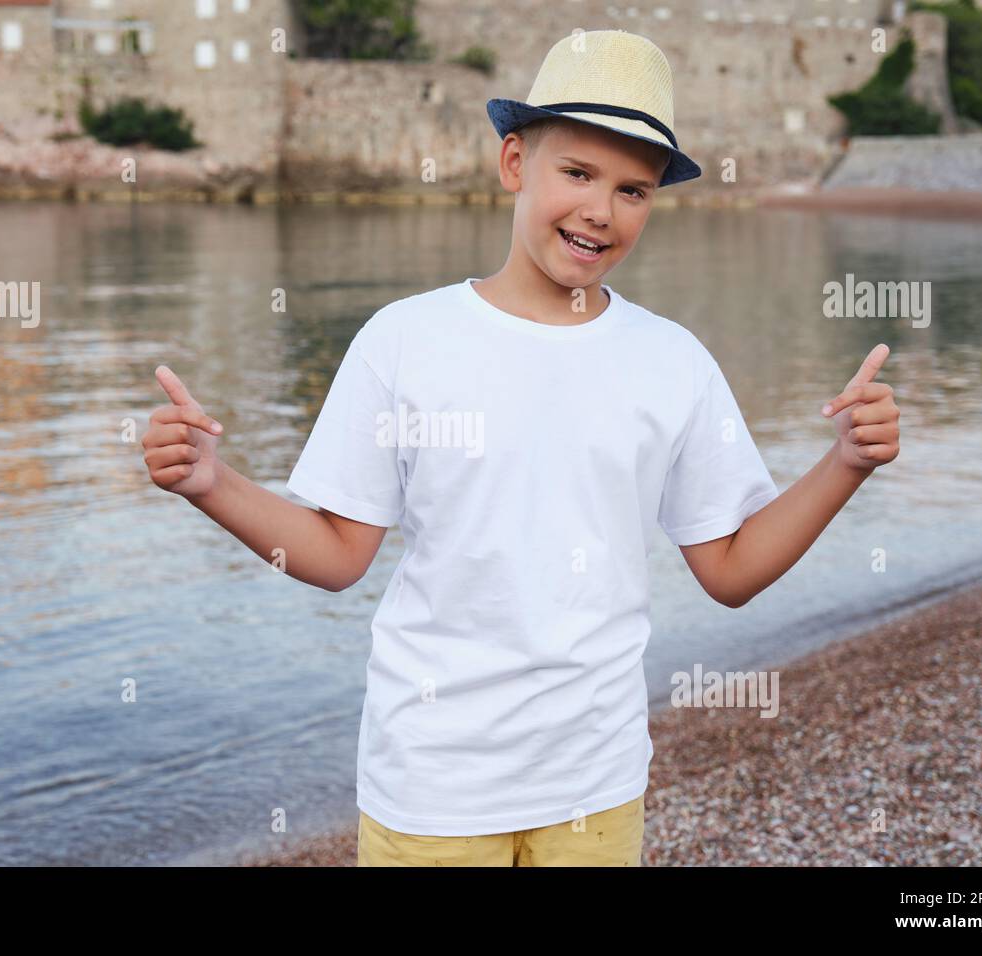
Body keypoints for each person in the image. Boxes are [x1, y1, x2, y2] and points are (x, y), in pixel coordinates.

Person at [140, 30, 901, 867]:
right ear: (514, 163)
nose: (600, 211)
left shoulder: (672, 360)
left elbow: (729, 569)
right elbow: (334, 554)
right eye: (576, 173)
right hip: (432, 787)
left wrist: (844, 466)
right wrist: (212, 483)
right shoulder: (404, 341)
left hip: (596, 786)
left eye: (633, 190)